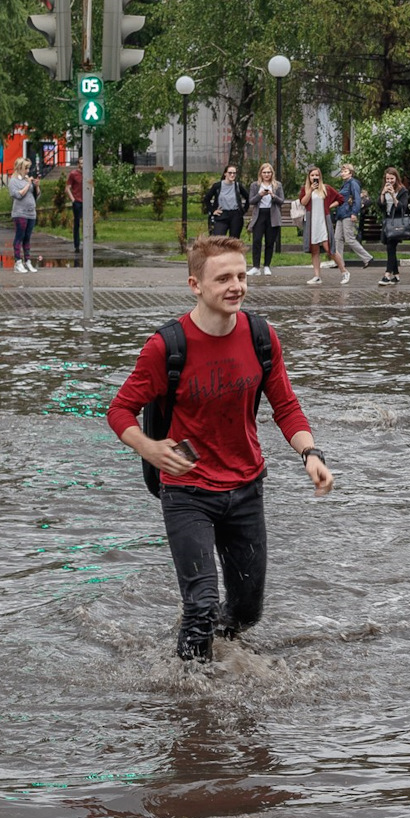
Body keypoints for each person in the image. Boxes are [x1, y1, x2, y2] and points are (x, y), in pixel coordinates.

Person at [106, 234, 334, 662]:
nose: (236, 287)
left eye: (241, 276)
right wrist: (149, 448)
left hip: (246, 487)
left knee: (247, 612)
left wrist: (311, 454)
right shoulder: (166, 346)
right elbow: (120, 410)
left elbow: (285, 405)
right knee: (201, 607)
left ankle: (219, 659)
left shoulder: (261, 336)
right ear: (195, 285)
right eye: (223, 278)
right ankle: (191, 704)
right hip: (187, 491)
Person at [296, 166, 344, 285]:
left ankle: (344, 271)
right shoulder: (305, 189)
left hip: (323, 221)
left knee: (329, 248)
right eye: (312, 175)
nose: (315, 177)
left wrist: (329, 206)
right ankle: (317, 276)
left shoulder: (326, 188)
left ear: (320, 176)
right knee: (314, 250)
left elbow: (340, 199)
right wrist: (310, 191)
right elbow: (303, 202)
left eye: (316, 175)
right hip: (312, 222)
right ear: (309, 177)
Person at [334, 162, 376, 269]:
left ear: (351, 173)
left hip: (348, 213)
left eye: (345, 171)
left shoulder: (353, 183)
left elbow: (357, 199)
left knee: (349, 238)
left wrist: (354, 213)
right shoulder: (345, 184)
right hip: (341, 214)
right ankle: (339, 262)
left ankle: (367, 257)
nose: (342, 173)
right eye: (342, 171)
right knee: (337, 238)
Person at [246, 163, 283, 275]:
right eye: (264, 172)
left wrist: (273, 196)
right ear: (261, 174)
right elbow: (251, 201)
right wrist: (260, 195)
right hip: (259, 214)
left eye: (269, 172)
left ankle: (267, 265)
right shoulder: (255, 185)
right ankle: (256, 267)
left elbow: (281, 201)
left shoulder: (277, 185)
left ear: (272, 173)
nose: (267, 175)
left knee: (270, 241)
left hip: (272, 215)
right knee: (256, 240)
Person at [378, 166, 410, 286]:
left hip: (397, 222)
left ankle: (387, 274)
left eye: (392, 178)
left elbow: (402, 207)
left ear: (396, 178)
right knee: (390, 248)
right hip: (387, 221)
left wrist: (393, 196)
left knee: (390, 248)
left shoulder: (402, 191)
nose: (389, 181)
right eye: (387, 179)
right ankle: (396, 275)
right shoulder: (384, 188)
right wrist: (383, 194)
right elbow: (381, 206)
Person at [8, 158, 39, 273]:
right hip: (20, 213)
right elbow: (18, 195)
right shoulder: (13, 181)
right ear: (19, 168)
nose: (28, 170)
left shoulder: (27, 179)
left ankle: (28, 261)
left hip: (31, 212)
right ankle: (17, 262)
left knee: (27, 237)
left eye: (28, 168)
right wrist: (28, 184)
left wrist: (36, 186)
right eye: (26, 168)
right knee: (19, 237)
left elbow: (36, 196)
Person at [203, 165, 245, 240]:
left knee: (233, 241)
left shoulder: (238, 186)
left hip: (235, 215)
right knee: (218, 240)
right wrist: (213, 210)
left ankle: (232, 252)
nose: (232, 175)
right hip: (222, 214)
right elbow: (206, 199)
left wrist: (242, 211)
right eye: (230, 173)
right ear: (225, 173)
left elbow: (248, 198)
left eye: (234, 173)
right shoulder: (217, 186)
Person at [67, 164, 85, 255]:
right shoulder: (73, 174)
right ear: (79, 164)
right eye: (81, 163)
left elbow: (91, 184)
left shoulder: (88, 173)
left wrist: (91, 195)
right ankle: (77, 245)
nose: (83, 165)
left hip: (86, 202)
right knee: (77, 223)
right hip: (77, 201)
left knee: (87, 223)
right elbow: (68, 188)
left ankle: (87, 243)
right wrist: (73, 199)